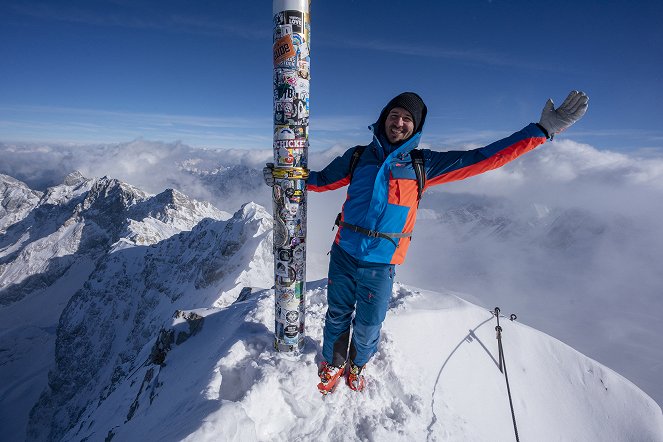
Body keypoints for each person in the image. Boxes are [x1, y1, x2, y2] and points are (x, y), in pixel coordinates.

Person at [264, 91, 588, 394]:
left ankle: (358, 365)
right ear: (384, 118)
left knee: (368, 322)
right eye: (395, 115)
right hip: (345, 252)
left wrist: (542, 130)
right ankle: (334, 363)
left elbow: (485, 157)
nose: (399, 122)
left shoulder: (423, 165)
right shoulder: (358, 157)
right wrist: (285, 176)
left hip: (382, 261)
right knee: (336, 314)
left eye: (407, 118)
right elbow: (320, 180)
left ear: (416, 127)